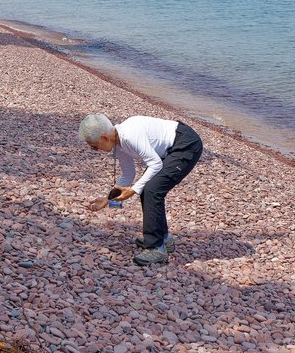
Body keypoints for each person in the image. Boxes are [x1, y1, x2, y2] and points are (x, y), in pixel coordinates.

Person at [80, 113, 203, 266]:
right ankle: (164, 239)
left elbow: (155, 164)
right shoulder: (118, 142)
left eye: (94, 146)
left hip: (186, 144)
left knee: (151, 190)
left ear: (105, 138)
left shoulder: (130, 135)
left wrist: (133, 190)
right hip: (171, 148)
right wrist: (108, 198)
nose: (95, 150)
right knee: (147, 188)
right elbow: (128, 174)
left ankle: (156, 248)